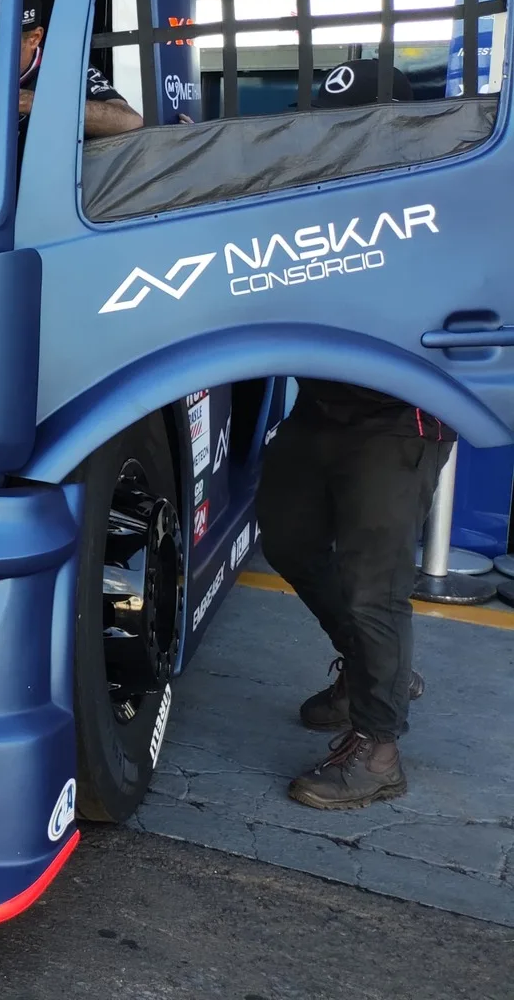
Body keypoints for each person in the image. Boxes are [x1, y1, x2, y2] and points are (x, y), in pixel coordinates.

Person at [256, 57, 447, 810]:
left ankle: (377, 750)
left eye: (356, 123)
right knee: (289, 538)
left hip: (401, 415)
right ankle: (374, 672)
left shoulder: (437, 199)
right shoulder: (317, 193)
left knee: (376, 588)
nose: (338, 136)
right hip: (324, 404)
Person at [18, 0, 143, 141]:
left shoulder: (66, 68)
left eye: (4, 41)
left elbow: (130, 121)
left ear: (35, 39)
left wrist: (34, 103)